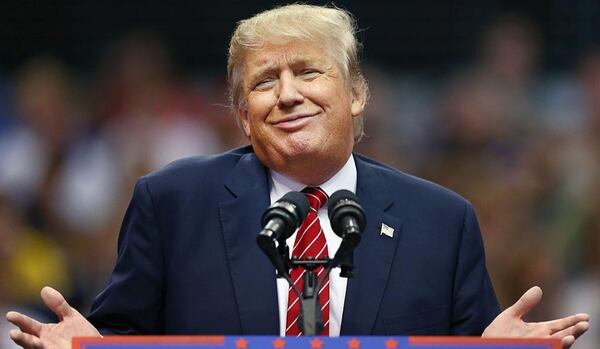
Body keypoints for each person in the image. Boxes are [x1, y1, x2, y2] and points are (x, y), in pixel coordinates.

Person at [6, 4, 589, 349]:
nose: (287, 95)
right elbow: (122, 343)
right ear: (241, 114)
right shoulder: (172, 204)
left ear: (357, 93)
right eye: (264, 81)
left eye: (309, 72)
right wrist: (88, 347)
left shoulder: (441, 220)